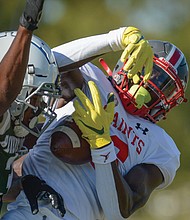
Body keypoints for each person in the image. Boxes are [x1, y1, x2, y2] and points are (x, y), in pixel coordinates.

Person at [1, 26, 189, 219]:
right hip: (33, 208)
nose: (153, 88)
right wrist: (115, 39)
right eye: (151, 71)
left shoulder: (162, 147)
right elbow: (44, 60)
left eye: (165, 87)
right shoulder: (93, 79)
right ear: (131, 60)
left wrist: (102, 144)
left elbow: (118, 211)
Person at [0, 0, 65, 217]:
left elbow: (3, 187)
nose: (40, 108)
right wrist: (26, 27)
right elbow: (4, 92)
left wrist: (24, 184)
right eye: (36, 98)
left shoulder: (14, 134)